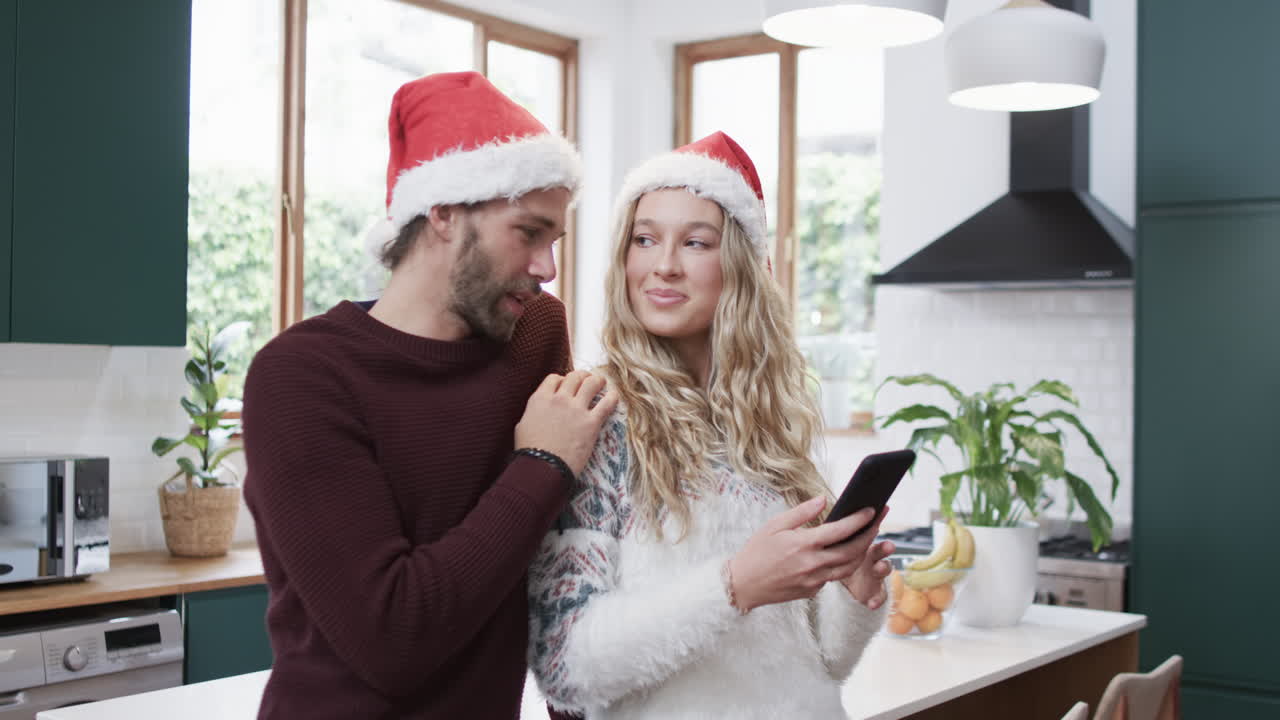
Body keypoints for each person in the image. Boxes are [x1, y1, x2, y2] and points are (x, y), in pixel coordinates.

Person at [242, 71, 617, 720]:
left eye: (554, 240)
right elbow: (392, 639)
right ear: (443, 211)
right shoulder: (301, 378)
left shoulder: (534, 332)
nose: (547, 267)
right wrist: (544, 463)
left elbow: (555, 564)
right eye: (528, 233)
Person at [528, 131, 895, 719]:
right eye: (644, 239)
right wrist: (734, 586)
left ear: (741, 268)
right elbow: (566, 668)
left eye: (695, 242)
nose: (663, 265)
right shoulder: (597, 419)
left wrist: (853, 596)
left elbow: (815, 662)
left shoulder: (770, 424)